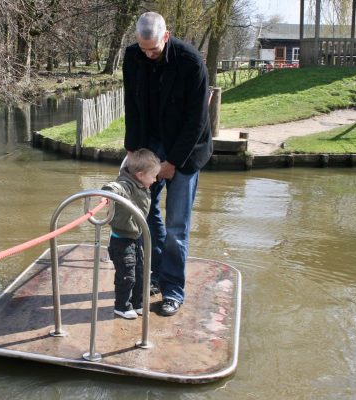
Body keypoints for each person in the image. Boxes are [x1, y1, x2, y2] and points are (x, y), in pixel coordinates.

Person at [122, 11, 213, 316]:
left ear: (166, 36)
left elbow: (197, 120)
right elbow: (132, 105)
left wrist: (174, 161)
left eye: (154, 50)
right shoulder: (133, 57)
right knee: (145, 213)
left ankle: (173, 290)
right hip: (151, 144)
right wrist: (133, 150)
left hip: (186, 148)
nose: (147, 55)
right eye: (143, 49)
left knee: (176, 225)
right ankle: (158, 273)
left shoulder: (191, 63)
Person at [102, 149, 161, 319]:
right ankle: (121, 306)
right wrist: (107, 193)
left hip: (136, 236)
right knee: (127, 275)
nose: (155, 180)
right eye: (153, 176)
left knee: (141, 272)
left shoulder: (141, 184)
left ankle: (138, 303)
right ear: (141, 174)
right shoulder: (127, 185)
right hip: (122, 240)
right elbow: (116, 187)